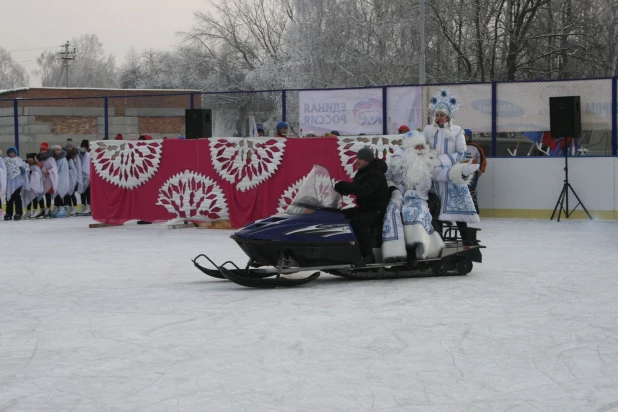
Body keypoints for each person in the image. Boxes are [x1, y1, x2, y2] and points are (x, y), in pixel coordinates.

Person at [382, 131, 479, 262]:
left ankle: (415, 250)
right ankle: (396, 253)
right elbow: (386, 178)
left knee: (417, 213)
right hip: (399, 197)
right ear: (409, 148)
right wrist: (393, 190)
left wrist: (462, 172)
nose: (421, 150)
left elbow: (443, 174)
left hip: (419, 199)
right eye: (417, 147)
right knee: (393, 213)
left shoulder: (428, 163)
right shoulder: (396, 163)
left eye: (422, 146)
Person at [423, 89, 479, 244]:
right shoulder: (428, 130)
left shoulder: (457, 131)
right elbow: (422, 148)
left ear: (448, 115)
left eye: (442, 115)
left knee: (457, 210)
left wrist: (441, 160)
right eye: (437, 114)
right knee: (436, 209)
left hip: (450, 176)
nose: (439, 117)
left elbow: (462, 153)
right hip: (434, 176)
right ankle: (438, 241)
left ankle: (467, 239)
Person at [334, 147, 390, 265]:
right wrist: (342, 188)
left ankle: (368, 256)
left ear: (368, 160)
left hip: (377, 210)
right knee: (342, 215)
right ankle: (344, 250)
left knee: (359, 221)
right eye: (357, 157)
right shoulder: (364, 171)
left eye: (360, 158)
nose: (357, 160)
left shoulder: (376, 174)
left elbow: (365, 190)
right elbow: (356, 186)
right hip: (365, 208)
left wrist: (348, 186)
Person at [463, 129, 486, 214]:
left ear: (470, 137)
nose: (465, 138)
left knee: (471, 190)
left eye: (466, 136)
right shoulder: (457, 146)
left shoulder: (476, 147)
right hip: (459, 172)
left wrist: (481, 170)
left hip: (472, 173)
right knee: (461, 192)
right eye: (463, 136)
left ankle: (475, 211)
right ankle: (463, 210)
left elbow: (482, 159)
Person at [3, 147, 26, 220]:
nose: (12, 154)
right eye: (10, 152)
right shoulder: (5, 160)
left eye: (13, 152)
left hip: (17, 182)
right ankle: (9, 213)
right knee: (9, 198)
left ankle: (18, 213)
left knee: (17, 197)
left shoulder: (18, 160)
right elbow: (3, 169)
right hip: (9, 182)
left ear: (15, 153)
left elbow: (23, 171)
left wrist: (22, 169)